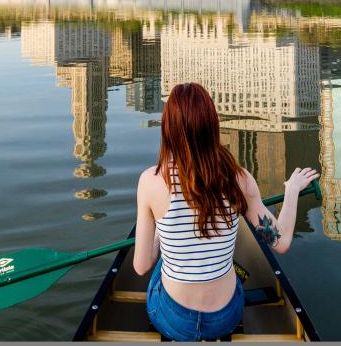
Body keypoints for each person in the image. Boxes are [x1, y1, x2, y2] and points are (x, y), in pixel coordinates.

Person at [133, 83, 319, 341]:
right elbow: (282, 242)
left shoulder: (151, 182)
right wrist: (292, 190)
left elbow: (141, 266)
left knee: (164, 262)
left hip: (175, 320)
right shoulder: (239, 180)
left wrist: (161, 236)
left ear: (169, 129)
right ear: (212, 126)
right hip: (225, 318)